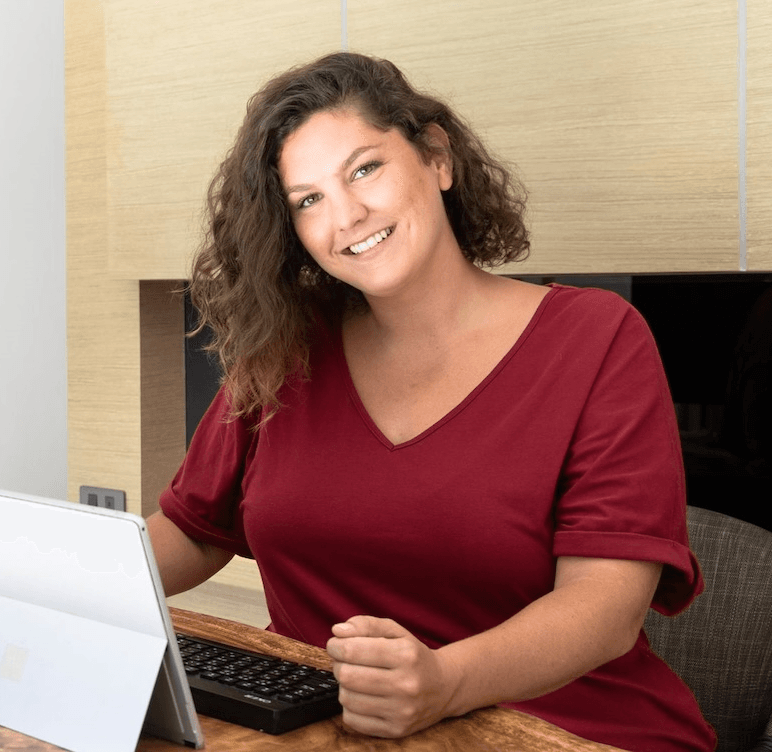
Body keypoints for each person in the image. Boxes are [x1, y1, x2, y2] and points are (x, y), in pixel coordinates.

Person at [148, 52, 717, 751]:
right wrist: (47, 582)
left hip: (563, 732)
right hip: (329, 730)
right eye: (308, 199)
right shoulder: (283, 353)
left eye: (365, 170)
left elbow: (605, 608)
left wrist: (443, 682)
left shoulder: (597, 338)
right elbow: (197, 528)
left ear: (437, 158)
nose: (347, 215)